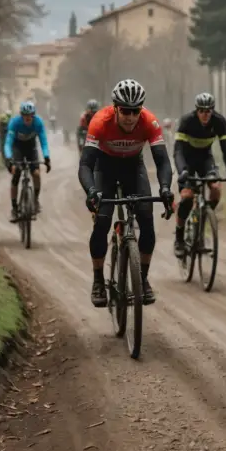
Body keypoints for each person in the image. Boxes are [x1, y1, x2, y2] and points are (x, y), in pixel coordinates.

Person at [78, 80, 174, 308]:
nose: (130, 117)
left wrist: (165, 188)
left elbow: (162, 161)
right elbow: (85, 165)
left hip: (133, 167)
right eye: (125, 111)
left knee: (147, 221)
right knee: (102, 222)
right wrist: (91, 191)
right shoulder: (100, 121)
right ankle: (98, 280)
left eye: (135, 111)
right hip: (105, 168)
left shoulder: (149, 121)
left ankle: (142, 278)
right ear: (115, 108)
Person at [173, 92, 226, 259]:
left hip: (205, 160)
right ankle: (179, 238)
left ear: (212, 111)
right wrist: (182, 171)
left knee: (216, 188)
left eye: (208, 111)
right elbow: (178, 151)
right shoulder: (187, 121)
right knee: (187, 197)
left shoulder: (219, 122)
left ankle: (204, 217)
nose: (205, 114)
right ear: (196, 110)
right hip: (187, 161)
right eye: (201, 111)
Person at [4, 101, 51, 221]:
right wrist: (9, 159)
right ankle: (14, 208)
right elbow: (8, 143)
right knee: (16, 173)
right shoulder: (15, 122)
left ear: (33, 115)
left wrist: (46, 158)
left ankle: (35, 200)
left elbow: (43, 142)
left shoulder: (38, 123)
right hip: (17, 148)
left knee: (36, 174)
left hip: (31, 148)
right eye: (25, 115)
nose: (27, 118)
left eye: (30, 115)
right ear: (21, 115)